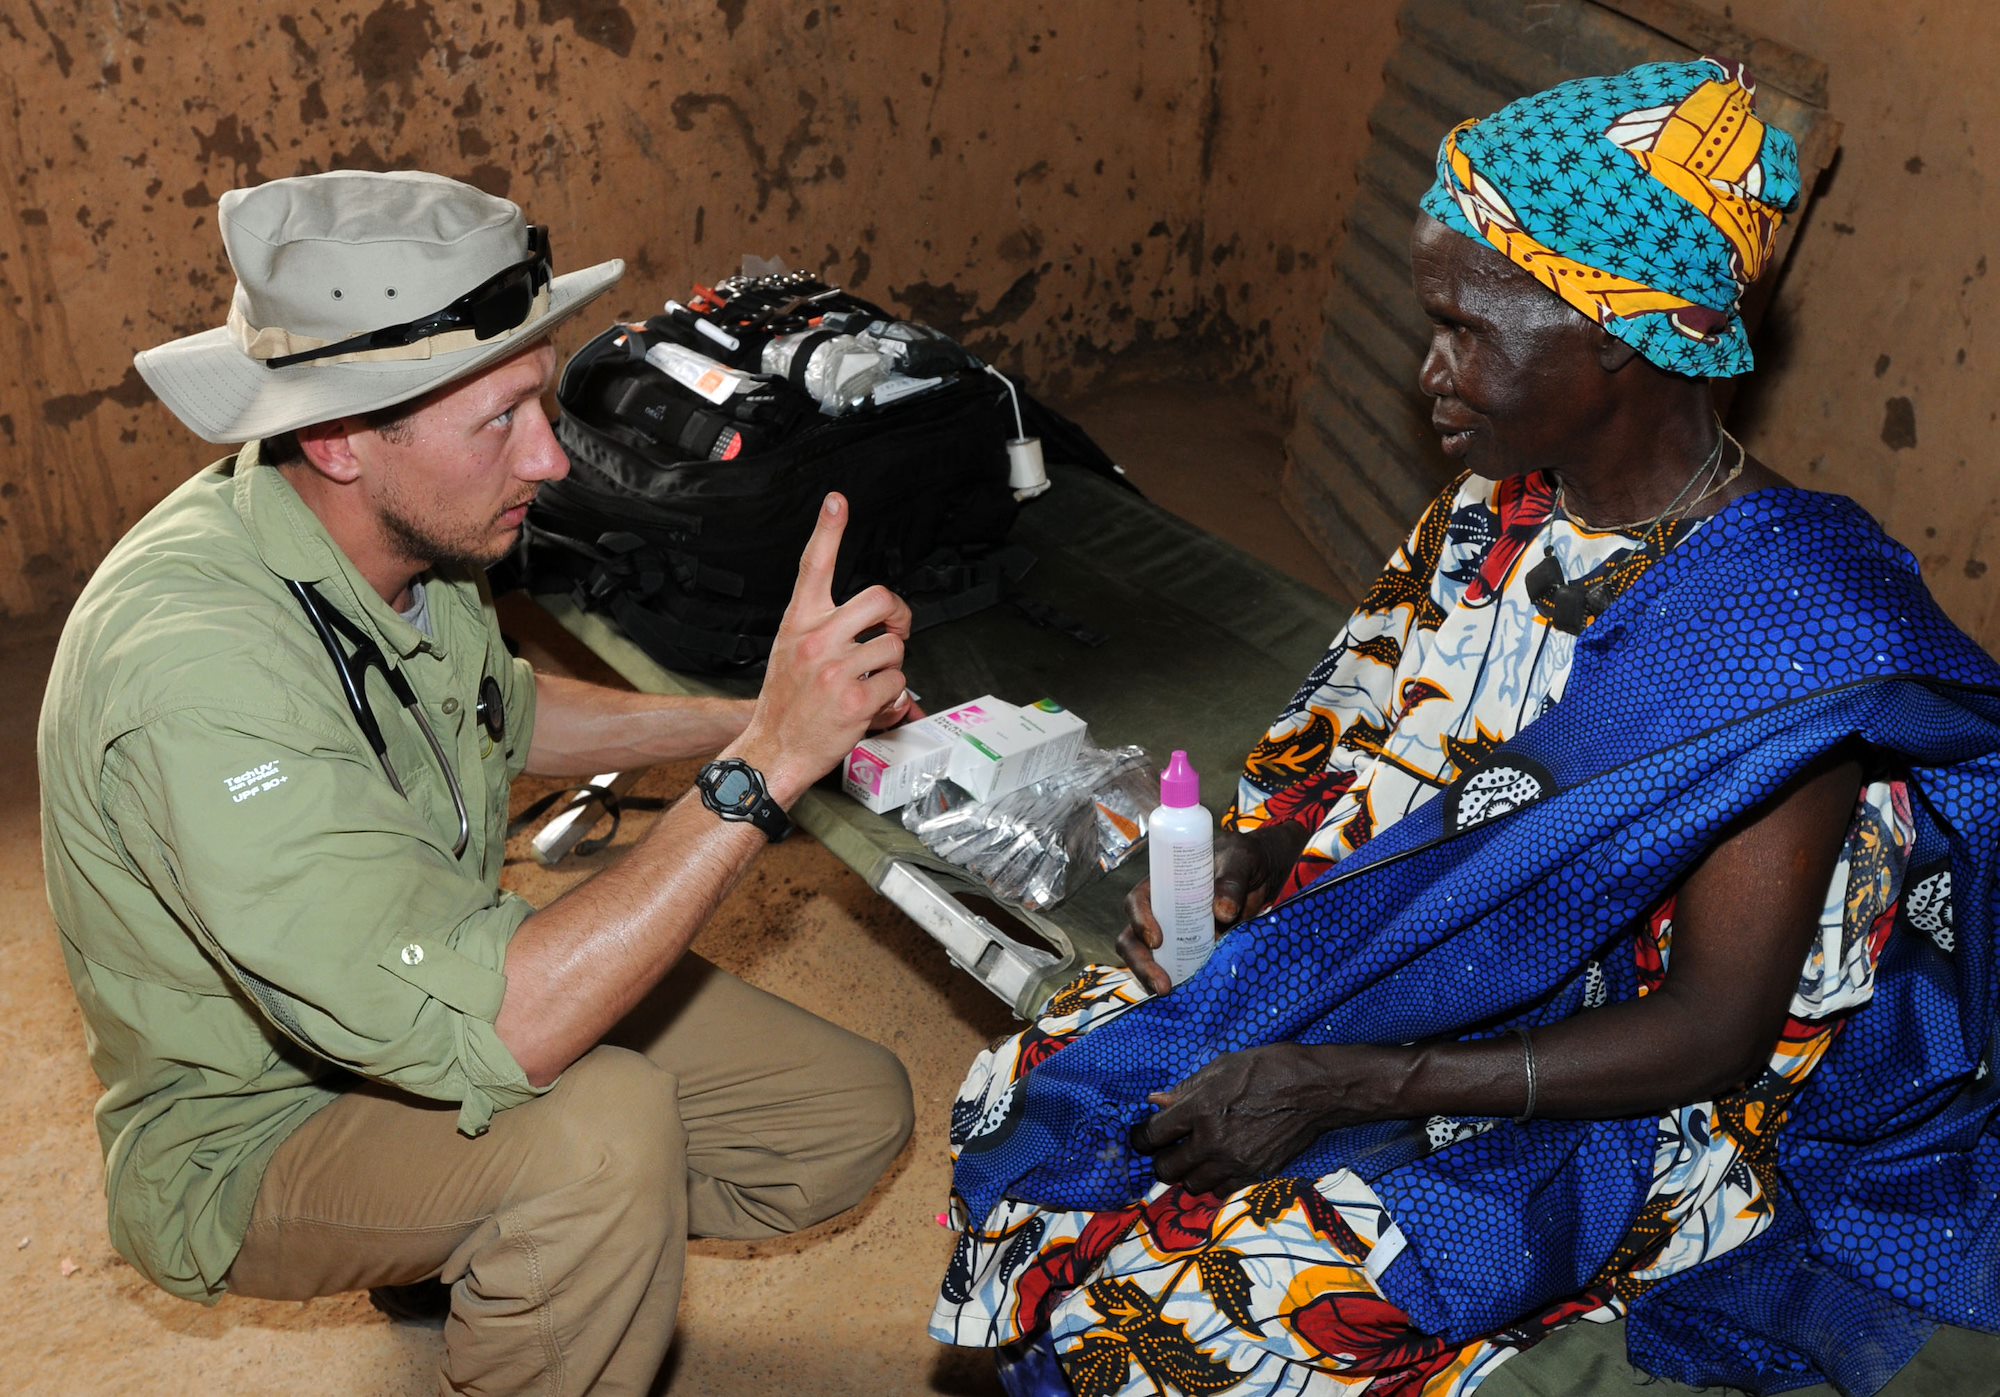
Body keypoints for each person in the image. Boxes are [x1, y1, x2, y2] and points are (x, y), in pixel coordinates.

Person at [930, 60, 2000, 1397]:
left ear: (1614, 332)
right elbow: (1359, 725)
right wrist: (1257, 848)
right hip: (1394, 958)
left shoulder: (1783, 636)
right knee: (1039, 1095)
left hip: (1597, 1083)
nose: (1429, 369)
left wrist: (1342, 1082)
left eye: (1466, 328)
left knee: (1213, 1298)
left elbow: (1716, 1029)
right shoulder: (1494, 508)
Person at [39, 169, 917, 1395]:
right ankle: (508, 1229)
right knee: (601, 1143)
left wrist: (759, 714)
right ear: (342, 435)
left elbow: (507, 708)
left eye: (539, 402)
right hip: (257, 1118)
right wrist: (761, 768)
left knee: (840, 1114)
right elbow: (504, 1026)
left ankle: (463, 1235)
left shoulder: (401, 536)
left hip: (407, 976)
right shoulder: (198, 679)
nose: (550, 457)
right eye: (500, 418)